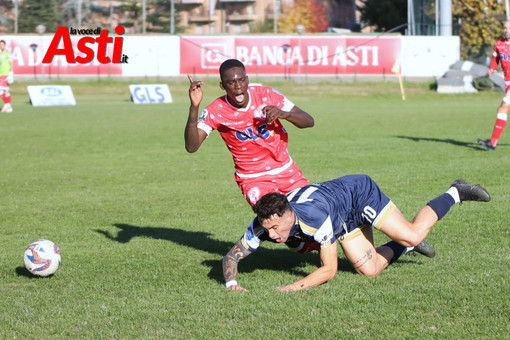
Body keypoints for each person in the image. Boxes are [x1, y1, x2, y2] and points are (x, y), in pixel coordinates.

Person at [222, 175, 490, 291]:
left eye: (275, 228)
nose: (271, 235)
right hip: (341, 216)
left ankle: (455, 192)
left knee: (412, 234)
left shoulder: (314, 219)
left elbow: (328, 270)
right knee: (370, 270)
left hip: (359, 194)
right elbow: (231, 258)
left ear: (288, 215)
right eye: (266, 228)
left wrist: (291, 287)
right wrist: (232, 285)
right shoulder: (264, 223)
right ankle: (402, 247)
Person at [185, 59, 317, 253]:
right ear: (223, 85)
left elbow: (309, 121)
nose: (238, 87)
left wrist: (283, 114)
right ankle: (297, 243)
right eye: (231, 83)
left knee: (314, 215)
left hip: (286, 169)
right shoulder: (216, 110)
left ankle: (316, 249)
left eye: (241, 80)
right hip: (253, 178)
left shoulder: (267, 95)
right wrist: (194, 107)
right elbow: (192, 146)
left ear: (247, 79)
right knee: (274, 218)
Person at [477, 20, 510, 151]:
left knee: (502, 108)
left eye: (509, 28)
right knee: (503, 109)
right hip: (508, 82)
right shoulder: (499, 43)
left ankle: (493, 142)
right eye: (505, 28)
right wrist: (491, 68)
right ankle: (492, 142)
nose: (506, 30)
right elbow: (495, 58)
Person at [0, 40, 13, 113]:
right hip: (0, 74)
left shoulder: (7, 52)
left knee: (1, 90)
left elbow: (11, 62)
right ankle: (8, 107)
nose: (0, 46)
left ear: (5, 45)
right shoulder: (0, 53)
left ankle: (7, 104)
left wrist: (11, 72)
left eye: (2, 44)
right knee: (6, 90)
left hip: (5, 74)